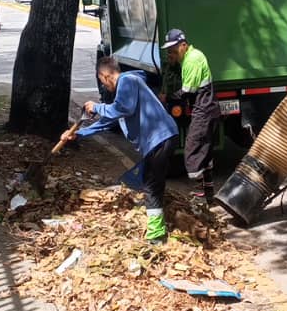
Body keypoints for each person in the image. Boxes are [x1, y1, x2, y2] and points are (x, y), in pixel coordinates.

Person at [60, 56, 178, 244]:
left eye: (102, 82)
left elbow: (122, 108)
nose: (104, 86)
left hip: (160, 138)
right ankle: (157, 219)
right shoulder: (127, 87)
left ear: (105, 76)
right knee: (152, 181)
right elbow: (107, 121)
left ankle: (156, 235)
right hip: (162, 138)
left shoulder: (127, 81)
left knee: (150, 186)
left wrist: (96, 106)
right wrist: (78, 134)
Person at [161, 28, 221, 203]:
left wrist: (167, 98)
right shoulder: (189, 57)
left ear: (183, 45)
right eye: (168, 50)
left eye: (173, 49)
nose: (170, 53)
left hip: (204, 110)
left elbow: (187, 91)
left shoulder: (192, 60)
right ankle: (208, 194)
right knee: (205, 150)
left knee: (192, 150)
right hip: (207, 109)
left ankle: (200, 195)